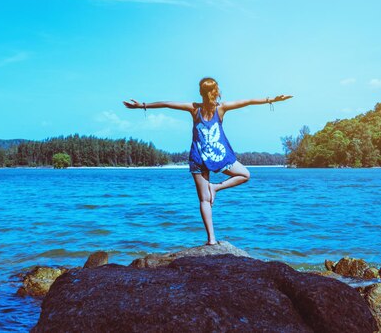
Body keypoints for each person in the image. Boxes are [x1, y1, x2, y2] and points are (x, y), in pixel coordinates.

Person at [123, 77, 292, 245]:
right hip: (219, 156)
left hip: (199, 157)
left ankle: (211, 237)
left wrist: (142, 106)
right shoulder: (221, 108)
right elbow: (247, 102)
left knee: (205, 200)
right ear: (216, 92)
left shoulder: (194, 108)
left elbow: (167, 103)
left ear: (200, 92)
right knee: (244, 175)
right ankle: (216, 192)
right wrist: (272, 100)